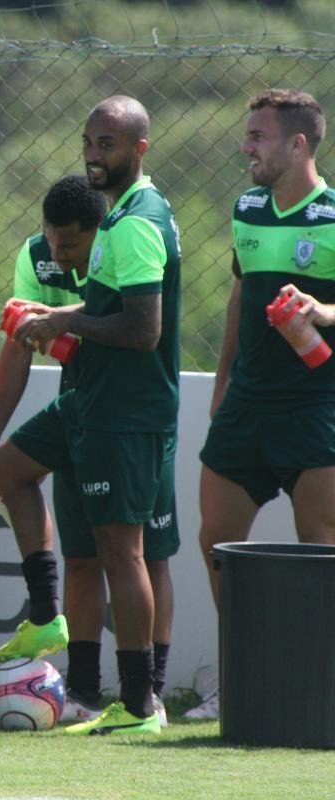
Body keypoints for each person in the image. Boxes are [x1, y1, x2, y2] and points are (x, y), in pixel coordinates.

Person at [0, 96, 180, 736]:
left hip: (126, 413)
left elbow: (144, 329)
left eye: (109, 145)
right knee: (11, 466)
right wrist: (62, 328)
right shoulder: (119, 215)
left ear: (138, 149)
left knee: (123, 554)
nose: (95, 156)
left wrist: (66, 321)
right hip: (88, 405)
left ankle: (138, 706)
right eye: (90, 143)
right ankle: (46, 615)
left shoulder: (138, 222)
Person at [189, 89, 335, 721]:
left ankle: (319, 684)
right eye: (247, 134)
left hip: (318, 402)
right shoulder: (246, 206)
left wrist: (321, 311)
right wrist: (222, 383)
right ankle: (243, 671)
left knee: (320, 544)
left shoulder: (332, 213)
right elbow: (240, 298)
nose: (245, 147)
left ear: (297, 144)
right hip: (247, 402)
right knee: (218, 543)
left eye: (258, 136)